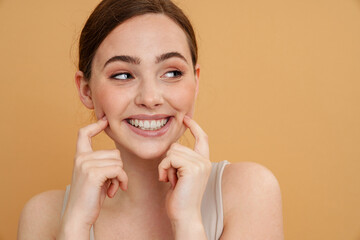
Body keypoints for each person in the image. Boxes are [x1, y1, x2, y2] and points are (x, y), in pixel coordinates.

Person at [18, 0, 284, 239]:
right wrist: (75, 226)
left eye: (172, 73)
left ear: (196, 80)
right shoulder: (43, 216)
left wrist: (188, 222)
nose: (150, 97)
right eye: (123, 75)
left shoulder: (250, 192)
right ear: (86, 90)